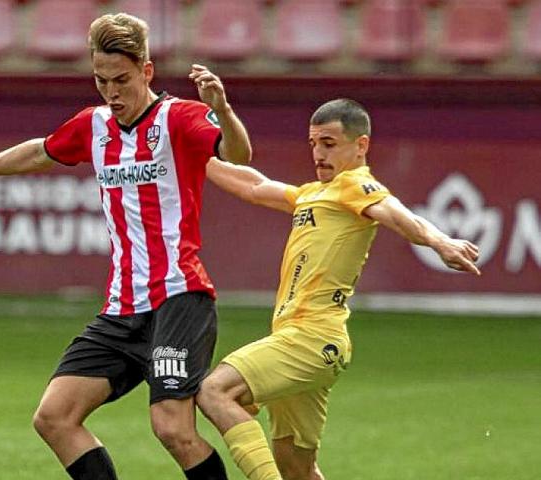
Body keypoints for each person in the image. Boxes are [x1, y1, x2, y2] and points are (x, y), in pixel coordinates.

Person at [0, 13, 251, 480]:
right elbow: (40, 151)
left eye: (121, 80)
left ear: (146, 72)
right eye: (100, 80)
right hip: (122, 307)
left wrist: (225, 109)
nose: (111, 92)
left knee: (171, 427)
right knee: (54, 418)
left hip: (180, 298)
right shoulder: (93, 126)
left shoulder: (179, 118)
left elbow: (238, 154)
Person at [197, 98, 480, 480]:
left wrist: (440, 241)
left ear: (360, 145)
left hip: (310, 339)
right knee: (297, 469)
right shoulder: (313, 193)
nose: (318, 153)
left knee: (215, 391)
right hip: (303, 340)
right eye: (313, 143)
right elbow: (255, 185)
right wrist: (194, 155)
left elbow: (395, 211)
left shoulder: (356, 184)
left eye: (329, 143)